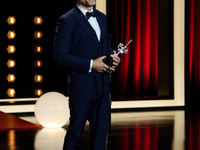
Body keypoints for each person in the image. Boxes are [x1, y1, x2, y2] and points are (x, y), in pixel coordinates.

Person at [53, 0, 120, 149]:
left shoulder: (102, 17)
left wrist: (112, 56)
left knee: (100, 136)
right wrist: (91, 64)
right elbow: (60, 55)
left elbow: (103, 47)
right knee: (75, 134)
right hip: (82, 88)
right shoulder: (67, 20)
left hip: (103, 86)